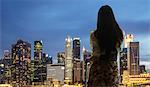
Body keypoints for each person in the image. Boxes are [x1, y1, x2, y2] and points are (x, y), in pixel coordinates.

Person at [88, 5, 123, 87]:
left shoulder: (94, 35)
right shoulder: (119, 34)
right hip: (111, 69)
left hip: (97, 69)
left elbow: (95, 53)